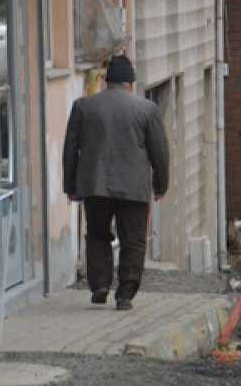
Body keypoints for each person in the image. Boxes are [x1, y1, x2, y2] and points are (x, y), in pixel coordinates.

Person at [63, 55, 170, 311]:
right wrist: (160, 185)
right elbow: (160, 153)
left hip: (95, 185)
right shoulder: (147, 110)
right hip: (134, 188)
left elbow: (70, 150)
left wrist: (71, 186)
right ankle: (125, 295)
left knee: (98, 234)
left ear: (106, 82)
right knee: (133, 240)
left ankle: (100, 285)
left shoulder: (83, 107)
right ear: (130, 84)